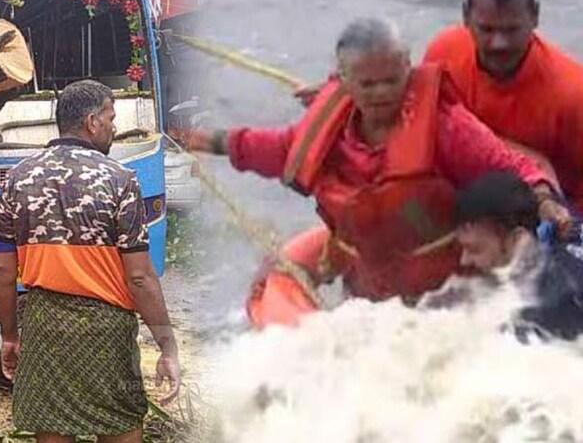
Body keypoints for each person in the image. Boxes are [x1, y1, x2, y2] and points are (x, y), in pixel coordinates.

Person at [180, 18, 572, 328]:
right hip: (368, 293)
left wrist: (545, 201)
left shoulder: (446, 127)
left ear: (408, 67)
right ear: (344, 80)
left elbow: (511, 166)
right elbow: (269, 148)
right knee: (269, 282)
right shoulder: (326, 133)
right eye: (368, 84)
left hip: (449, 293)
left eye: (392, 79)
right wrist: (202, 140)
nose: (382, 92)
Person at [0, 80, 181, 443]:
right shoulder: (120, 180)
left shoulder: (17, 178)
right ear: (92, 121)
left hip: (45, 327)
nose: (114, 126)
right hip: (106, 332)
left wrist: (10, 336)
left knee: (53, 425)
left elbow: (3, 272)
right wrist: (167, 346)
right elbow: (140, 278)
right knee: (119, 423)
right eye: (111, 117)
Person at [419, 0, 583, 211]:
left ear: (535, 16)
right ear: (465, 15)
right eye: (486, 29)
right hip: (455, 199)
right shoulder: (442, 55)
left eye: (511, 30)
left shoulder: (572, 92)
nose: (498, 43)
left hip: (541, 214)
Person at [450, 171, 583, 341]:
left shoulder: (551, 304)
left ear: (518, 239)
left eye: (475, 249)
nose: (464, 260)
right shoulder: (559, 220)